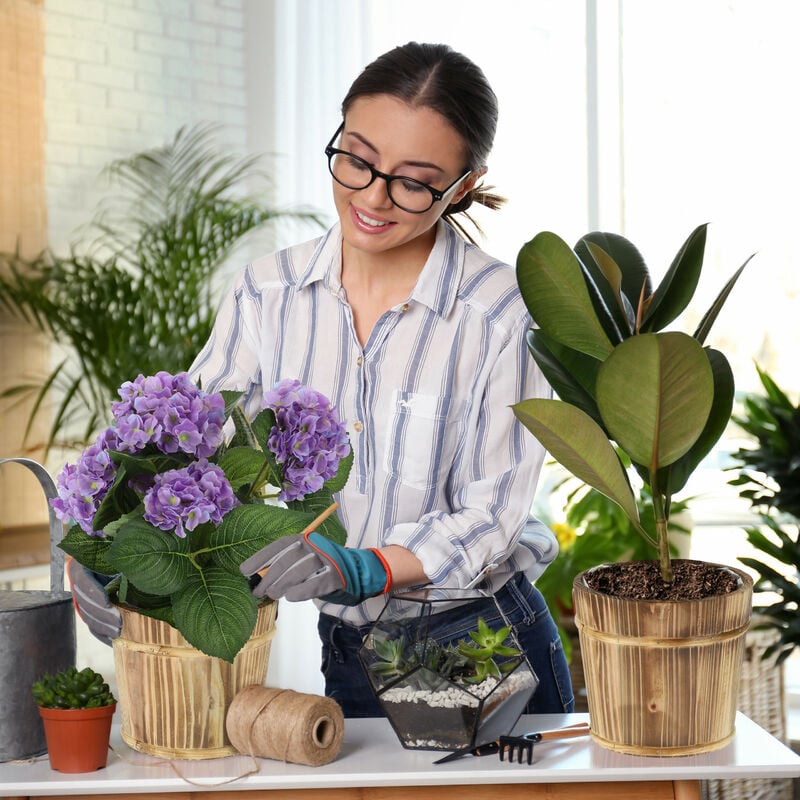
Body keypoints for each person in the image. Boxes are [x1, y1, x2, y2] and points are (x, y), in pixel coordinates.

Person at [70, 41, 574, 717]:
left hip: (478, 637)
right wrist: (109, 548)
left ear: (462, 186)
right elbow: (189, 449)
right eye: (358, 159)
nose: (373, 195)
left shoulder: (501, 315)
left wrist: (369, 567)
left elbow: (491, 510)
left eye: (414, 181)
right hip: (350, 648)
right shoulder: (264, 294)